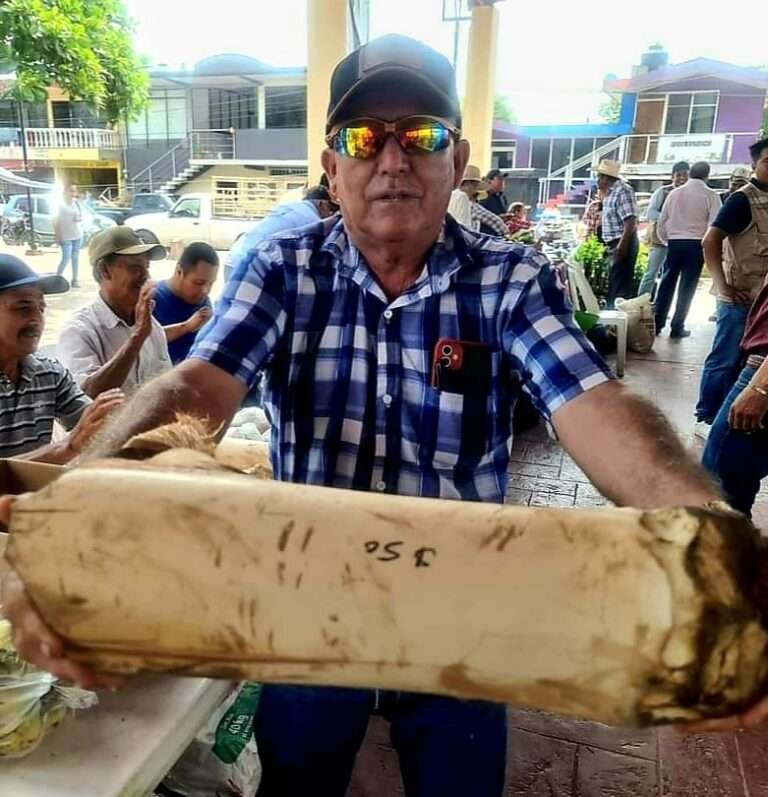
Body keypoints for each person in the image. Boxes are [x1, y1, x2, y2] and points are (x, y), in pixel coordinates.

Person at [0, 33, 725, 795]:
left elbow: (594, 402)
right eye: (362, 137)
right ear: (331, 167)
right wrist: (70, 519)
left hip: (463, 616)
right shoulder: (285, 269)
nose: (392, 157)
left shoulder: (510, 278)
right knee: (300, 780)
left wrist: (703, 523)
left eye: (420, 135)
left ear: (458, 158)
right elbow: (194, 389)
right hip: (309, 608)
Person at [0, 255, 123, 462]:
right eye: (23, 308)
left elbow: (99, 426)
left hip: (38, 493)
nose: (36, 320)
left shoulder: (48, 373)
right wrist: (69, 446)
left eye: (41, 308)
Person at [695, 138, 768, 436]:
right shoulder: (743, 199)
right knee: (724, 358)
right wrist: (722, 286)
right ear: (755, 164)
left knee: (745, 363)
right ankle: (707, 416)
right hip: (739, 298)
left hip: (759, 302)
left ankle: (730, 417)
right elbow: (710, 240)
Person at [57, 227, 171, 397]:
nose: (145, 276)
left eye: (146, 268)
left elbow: (166, 387)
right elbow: (85, 398)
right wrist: (137, 339)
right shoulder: (78, 330)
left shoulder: (152, 327)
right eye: (135, 268)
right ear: (105, 270)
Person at [702, 270, 768, 515]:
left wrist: (761, 387)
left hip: (762, 371)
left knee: (717, 485)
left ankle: (725, 549)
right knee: (738, 476)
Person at [654, 161, 721, 338]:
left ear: (690, 173)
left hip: (674, 244)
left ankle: (657, 323)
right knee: (687, 286)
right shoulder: (711, 195)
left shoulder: (674, 193)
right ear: (708, 176)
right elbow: (714, 224)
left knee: (666, 283)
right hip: (696, 245)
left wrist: (667, 241)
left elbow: (662, 222)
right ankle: (677, 326)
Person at [224, 183, 339, 282]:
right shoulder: (311, 221)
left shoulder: (289, 208)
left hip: (234, 259)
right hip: (251, 267)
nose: (331, 214)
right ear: (321, 204)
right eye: (331, 209)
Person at [153, 242, 218, 365]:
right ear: (179, 271)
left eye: (211, 283)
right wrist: (186, 327)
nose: (205, 290)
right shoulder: (153, 298)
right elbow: (143, 342)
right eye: (198, 283)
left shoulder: (203, 302)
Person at [637, 161, 690, 298]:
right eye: (679, 175)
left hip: (680, 242)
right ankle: (641, 304)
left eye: (685, 175)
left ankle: (660, 305)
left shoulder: (690, 194)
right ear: (672, 176)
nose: (682, 178)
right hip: (660, 240)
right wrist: (670, 218)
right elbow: (651, 213)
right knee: (651, 273)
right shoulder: (662, 192)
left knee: (670, 276)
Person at [596, 159, 639, 307]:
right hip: (614, 242)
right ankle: (612, 321)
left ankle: (617, 321)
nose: (597, 180)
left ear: (606, 178)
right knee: (614, 283)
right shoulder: (608, 193)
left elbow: (630, 221)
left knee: (620, 286)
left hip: (622, 242)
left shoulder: (623, 190)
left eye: (599, 177)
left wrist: (622, 245)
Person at [447, 164, 509, 236]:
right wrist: (506, 233)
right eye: (475, 185)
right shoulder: (463, 197)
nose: (475, 190)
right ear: (468, 183)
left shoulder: (451, 195)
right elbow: (495, 222)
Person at [54, 185, 84, 288]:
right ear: (65, 192)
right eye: (71, 191)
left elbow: (80, 216)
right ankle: (57, 278)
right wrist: (57, 236)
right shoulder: (60, 204)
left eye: (74, 191)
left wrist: (79, 218)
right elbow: (55, 220)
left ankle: (75, 280)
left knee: (75, 258)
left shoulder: (76, 203)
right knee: (65, 258)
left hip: (77, 234)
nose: (73, 193)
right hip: (65, 236)